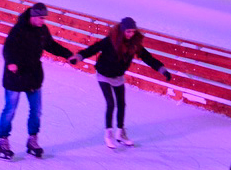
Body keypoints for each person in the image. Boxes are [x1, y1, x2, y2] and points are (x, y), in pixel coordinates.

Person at [70, 17, 171, 148]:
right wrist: (78, 57)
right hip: (104, 75)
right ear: (123, 30)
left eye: (133, 31)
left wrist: (162, 70)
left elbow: (148, 58)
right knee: (111, 104)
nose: (131, 34)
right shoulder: (110, 41)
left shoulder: (134, 45)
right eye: (128, 31)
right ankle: (108, 135)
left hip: (118, 76)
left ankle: (120, 134)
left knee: (122, 104)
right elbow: (93, 49)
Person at [0, 2, 74, 160]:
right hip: (15, 76)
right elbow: (8, 48)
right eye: (40, 18)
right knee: (10, 110)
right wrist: (11, 62)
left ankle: (32, 140)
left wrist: (67, 54)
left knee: (36, 111)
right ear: (32, 16)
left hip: (33, 76)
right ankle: (2, 141)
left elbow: (51, 45)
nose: (42, 21)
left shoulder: (42, 31)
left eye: (44, 18)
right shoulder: (19, 30)